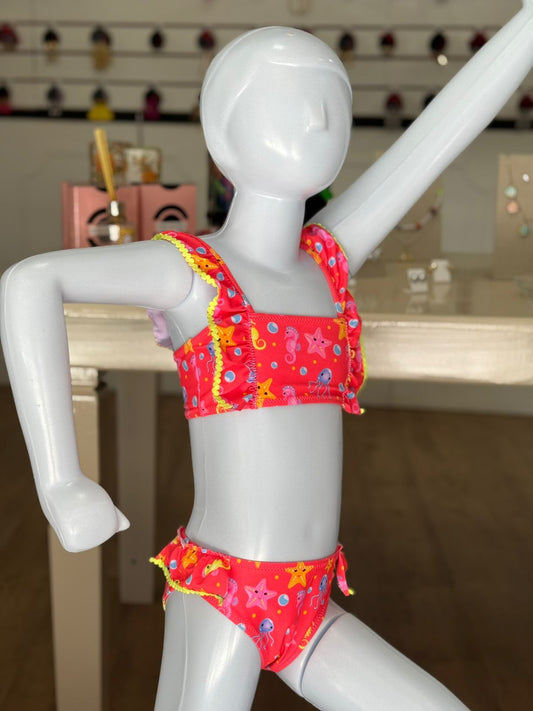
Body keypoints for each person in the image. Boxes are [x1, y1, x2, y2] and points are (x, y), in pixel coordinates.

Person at [2, 5, 533, 709]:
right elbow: (30, 281)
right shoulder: (192, 272)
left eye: (333, 100)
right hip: (225, 595)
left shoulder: (328, 258)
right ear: (222, 131)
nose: (317, 117)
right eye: (288, 98)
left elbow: (435, 138)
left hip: (311, 604)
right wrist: (61, 482)